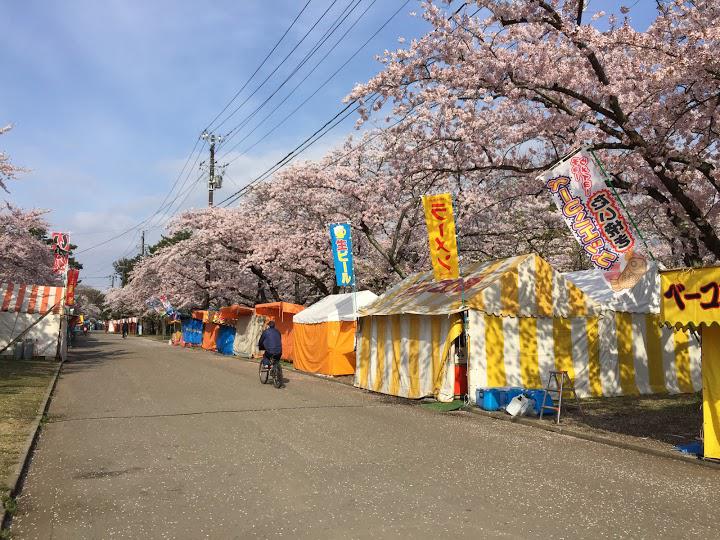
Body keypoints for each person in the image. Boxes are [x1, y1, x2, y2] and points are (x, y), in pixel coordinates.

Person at [258, 321, 283, 388]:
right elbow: (279, 340)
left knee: (266, 356)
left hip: (270, 351)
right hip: (279, 351)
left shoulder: (266, 332)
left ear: (268, 326)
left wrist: (260, 347)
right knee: (276, 360)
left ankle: (266, 365)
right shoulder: (278, 332)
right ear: (274, 326)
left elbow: (261, 341)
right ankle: (276, 369)